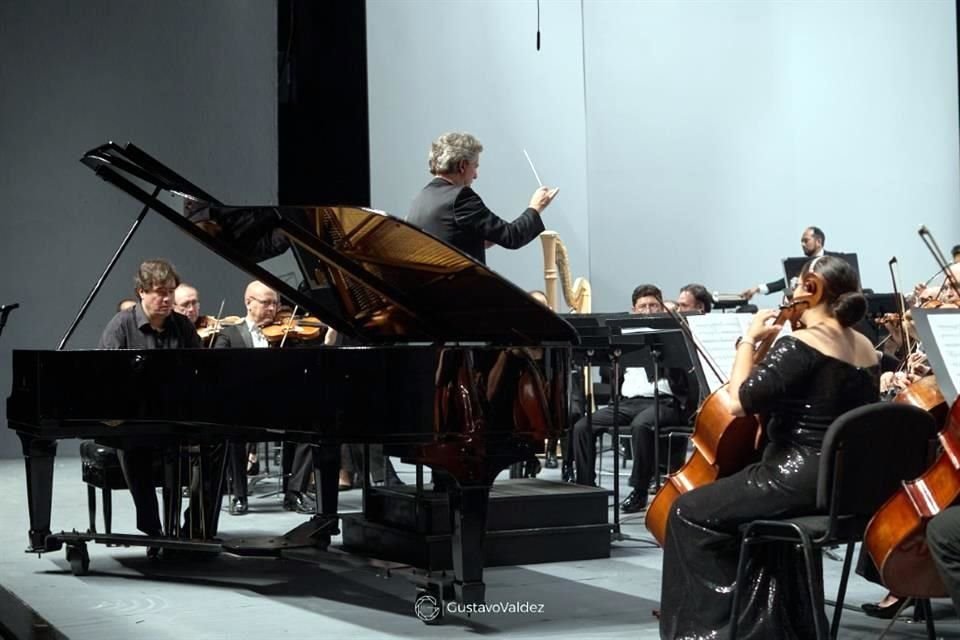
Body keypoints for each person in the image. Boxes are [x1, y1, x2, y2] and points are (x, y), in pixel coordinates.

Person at [659, 255, 880, 639]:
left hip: (791, 478)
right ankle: (764, 622)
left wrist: (748, 340)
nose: (791, 293)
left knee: (686, 512)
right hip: (842, 487)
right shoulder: (864, 346)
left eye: (797, 285)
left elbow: (738, 402)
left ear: (813, 290)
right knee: (744, 517)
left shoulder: (801, 345)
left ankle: (710, 630)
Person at [99, 260, 221, 549]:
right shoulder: (122, 325)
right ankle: (153, 529)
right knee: (132, 444)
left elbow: (199, 371)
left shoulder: (182, 326)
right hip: (135, 417)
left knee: (218, 444)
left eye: (170, 292)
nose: (167, 299)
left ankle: (196, 523)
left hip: (176, 416)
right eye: (159, 292)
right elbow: (104, 376)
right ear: (141, 292)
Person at [571, 285, 688, 513]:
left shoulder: (674, 334)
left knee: (641, 425)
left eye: (653, 305)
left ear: (662, 307)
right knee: (582, 426)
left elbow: (686, 376)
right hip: (627, 403)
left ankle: (640, 490)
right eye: (642, 306)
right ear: (633, 310)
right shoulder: (624, 338)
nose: (648, 310)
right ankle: (586, 487)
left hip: (664, 401)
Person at [406, 132, 558, 265]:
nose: (476, 175)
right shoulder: (461, 198)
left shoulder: (420, 198)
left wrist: (483, 238)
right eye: (475, 166)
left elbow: (451, 239)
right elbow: (512, 236)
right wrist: (536, 207)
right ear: (462, 166)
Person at [211, 281, 279, 515]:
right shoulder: (229, 334)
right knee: (234, 431)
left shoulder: (286, 335)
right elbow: (218, 368)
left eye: (275, 303)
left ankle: (295, 492)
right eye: (266, 303)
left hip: (278, 403)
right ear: (248, 302)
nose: (272, 309)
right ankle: (239, 496)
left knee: (310, 429)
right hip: (243, 404)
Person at [741, 226, 831, 301]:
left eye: (806, 240)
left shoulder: (834, 261)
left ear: (818, 241)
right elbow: (783, 283)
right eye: (801, 242)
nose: (802, 244)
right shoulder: (802, 265)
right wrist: (757, 289)